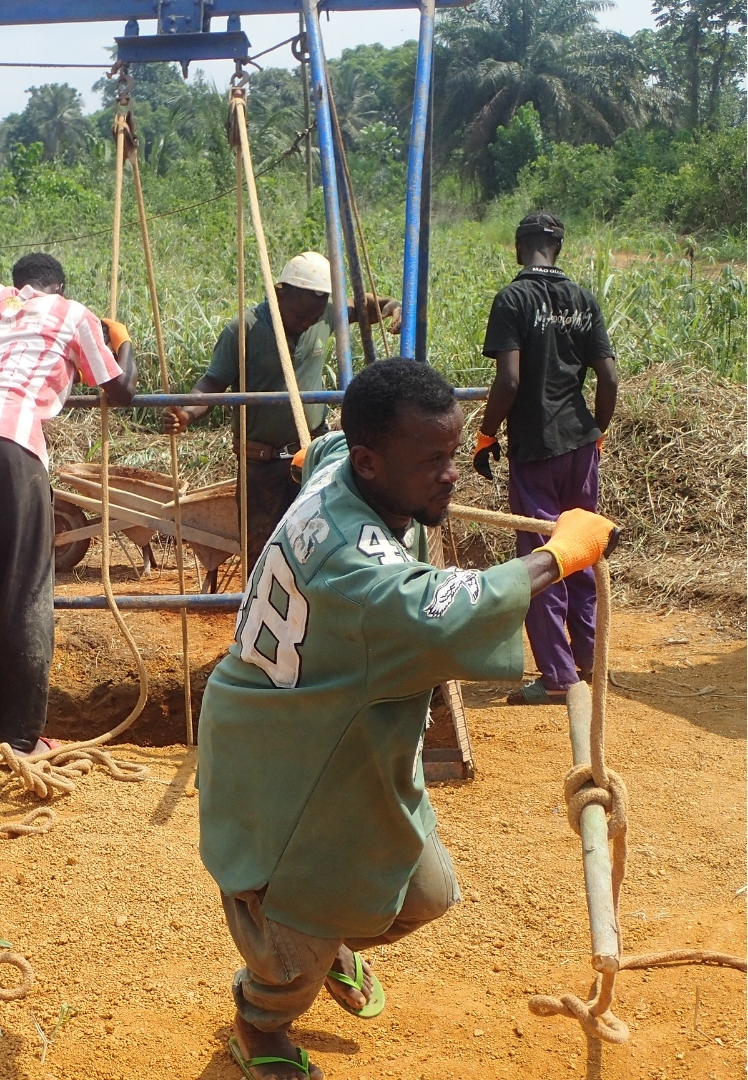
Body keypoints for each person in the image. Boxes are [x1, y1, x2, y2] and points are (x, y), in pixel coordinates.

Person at [196, 359, 617, 1080]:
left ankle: (322, 943)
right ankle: (261, 1019)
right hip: (287, 758)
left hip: (347, 736)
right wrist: (560, 555)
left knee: (426, 895)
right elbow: (466, 606)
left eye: (451, 455)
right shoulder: (362, 571)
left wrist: (311, 454)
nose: (450, 475)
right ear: (372, 461)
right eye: (431, 462)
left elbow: (322, 447)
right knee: (297, 922)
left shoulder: (339, 467)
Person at [0, 252, 136, 771]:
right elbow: (122, 392)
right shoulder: (74, 314)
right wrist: (121, 341)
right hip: (16, 447)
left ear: (17, 284)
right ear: (60, 286)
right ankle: (21, 737)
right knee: (26, 592)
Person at [161, 252, 401, 570]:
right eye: (299, 316)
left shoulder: (326, 315)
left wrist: (393, 308)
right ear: (279, 293)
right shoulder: (243, 330)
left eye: (312, 318)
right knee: (263, 559)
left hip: (313, 456)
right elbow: (212, 383)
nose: (305, 324)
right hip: (263, 466)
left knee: (322, 550)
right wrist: (187, 413)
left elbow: (371, 305)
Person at [474, 212, 618, 706]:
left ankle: (558, 677)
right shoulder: (583, 299)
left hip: (535, 448)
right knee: (581, 548)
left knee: (542, 558)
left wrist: (486, 434)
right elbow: (610, 378)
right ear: (557, 248)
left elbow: (509, 382)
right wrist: (597, 433)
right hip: (580, 445)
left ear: (521, 247)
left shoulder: (513, 299)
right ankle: (590, 663)